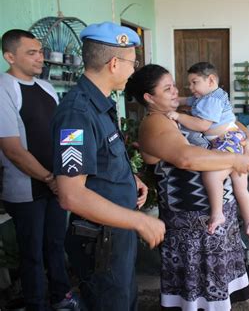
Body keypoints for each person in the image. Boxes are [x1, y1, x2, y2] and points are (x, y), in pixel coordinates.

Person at [50, 22, 166, 311]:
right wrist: (140, 220)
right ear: (114, 63)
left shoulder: (99, 103)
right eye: (132, 62)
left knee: (124, 301)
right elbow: (71, 194)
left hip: (116, 231)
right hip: (100, 239)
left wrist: (130, 178)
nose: (133, 69)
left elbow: (101, 159)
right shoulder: (77, 113)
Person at [124, 64, 249, 310]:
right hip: (192, 226)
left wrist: (247, 141)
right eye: (167, 88)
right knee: (197, 296)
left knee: (217, 293)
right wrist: (237, 158)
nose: (176, 91)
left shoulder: (183, 113)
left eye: (174, 85)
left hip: (213, 222)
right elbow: (187, 158)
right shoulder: (154, 123)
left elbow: (230, 123)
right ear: (149, 98)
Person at [0, 29, 79, 310]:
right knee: (32, 252)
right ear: (10, 56)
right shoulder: (3, 88)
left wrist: (70, 170)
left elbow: (65, 131)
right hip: (27, 188)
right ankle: (36, 303)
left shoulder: (45, 87)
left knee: (56, 244)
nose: (40, 58)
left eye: (41, 52)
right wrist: (49, 178)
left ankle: (61, 297)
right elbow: (12, 149)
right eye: (31, 53)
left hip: (57, 182)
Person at [167, 62, 249, 237]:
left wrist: (179, 115)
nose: (190, 87)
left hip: (227, 140)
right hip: (232, 140)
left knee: (211, 175)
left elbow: (202, 125)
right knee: (240, 185)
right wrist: (174, 101)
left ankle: (217, 214)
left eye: (194, 82)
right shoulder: (206, 97)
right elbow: (186, 100)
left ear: (210, 80)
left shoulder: (212, 100)